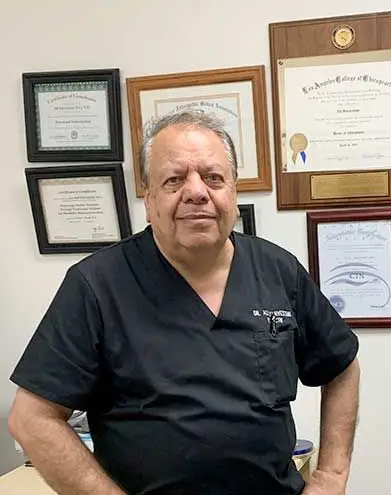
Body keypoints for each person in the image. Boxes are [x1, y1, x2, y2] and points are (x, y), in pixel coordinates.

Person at [8, 110, 360, 495]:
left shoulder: (278, 270)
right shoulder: (97, 285)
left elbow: (341, 366)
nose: (196, 192)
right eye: (174, 179)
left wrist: (330, 477)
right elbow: (32, 418)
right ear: (149, 199)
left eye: (213, 177)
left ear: (233, 192)